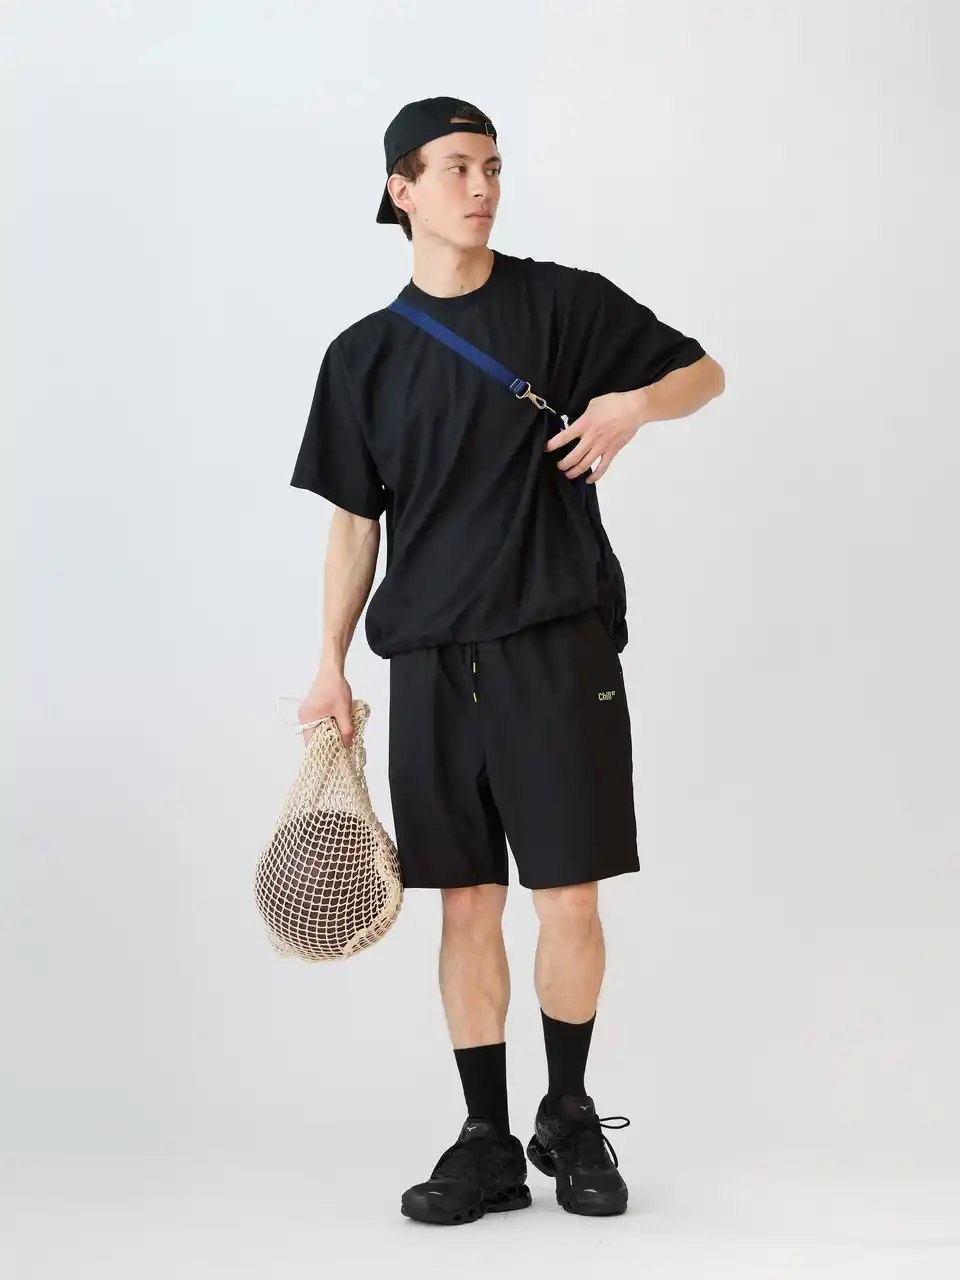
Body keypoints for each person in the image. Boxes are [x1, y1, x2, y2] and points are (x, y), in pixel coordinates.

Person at [290, 96, 725, 1225]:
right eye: (455, 168)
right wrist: (329, 663)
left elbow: (704, 373)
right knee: (466, 906)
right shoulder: (363, 356)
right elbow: (354, 524)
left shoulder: (559, 303)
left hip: (555, 644)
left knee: (568, 897)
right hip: (432, 661)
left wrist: (632, 406)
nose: (481, 187)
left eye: (492, 166)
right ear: (402, 191)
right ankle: (486, 1138)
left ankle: (568, 1115)